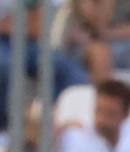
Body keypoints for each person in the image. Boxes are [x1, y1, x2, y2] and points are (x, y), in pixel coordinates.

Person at [0, 0, 89, 134]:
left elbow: (38, 26)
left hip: (27, 41)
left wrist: (11, 25)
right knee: (5, 67)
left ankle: (76, 127)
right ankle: (6, 130)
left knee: (69, 69)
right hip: (6, 43)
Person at [69, 0, 130, 81]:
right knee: (100, 53)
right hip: (92, 45)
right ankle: (106, 97)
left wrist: (111, 33)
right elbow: (98, 28)